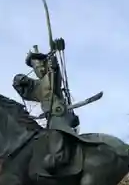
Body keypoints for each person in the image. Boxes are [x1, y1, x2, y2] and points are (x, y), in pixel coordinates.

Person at [12, 45, 79, 173]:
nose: (40, 68)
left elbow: (55, 75)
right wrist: (19, 80)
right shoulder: (36, 86)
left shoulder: (51, 77)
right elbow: (22, 88)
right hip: (50, 116)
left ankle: (60, 158)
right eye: (37, 67)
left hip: (58, 112)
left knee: (57, 132)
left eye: (42, 65)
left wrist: (53, 63)